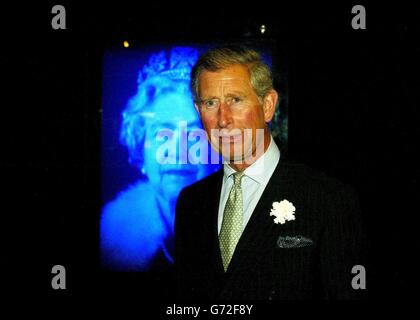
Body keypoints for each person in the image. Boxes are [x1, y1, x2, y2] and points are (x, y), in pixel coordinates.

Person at [174, 46, 366, 300]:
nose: (223, 119)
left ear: (267, 106)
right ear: (199, 112)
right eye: (211, 103)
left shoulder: (328, 200)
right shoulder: (191, 203)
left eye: (235, 100)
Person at [101, 47, 218, 271]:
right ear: (139, 146)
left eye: (195, 134)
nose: (177, 149)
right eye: (162, 133)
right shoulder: (113, 238)